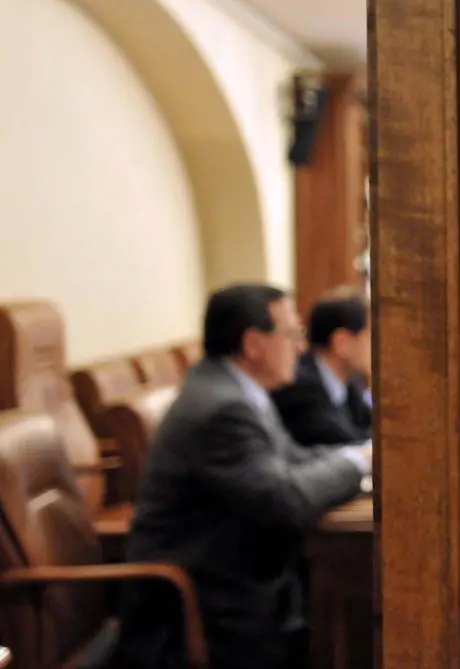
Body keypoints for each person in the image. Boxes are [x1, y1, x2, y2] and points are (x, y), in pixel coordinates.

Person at [114, 284, 371, 669]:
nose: (301, 347)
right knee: (351, 598)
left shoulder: (234, 389)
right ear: (253, 344)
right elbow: (287, 500)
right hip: (206, 597)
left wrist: (360, 456)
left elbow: (294, 458)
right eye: (291, 334)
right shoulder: (222, 407)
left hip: (234, 571)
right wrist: (359, 462)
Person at [271, 287, 372, 446]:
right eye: (372, 337)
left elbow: (374, 429)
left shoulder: (350, 382)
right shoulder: (299, 386)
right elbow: (345, 442)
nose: (382, 348)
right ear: (342, 343)